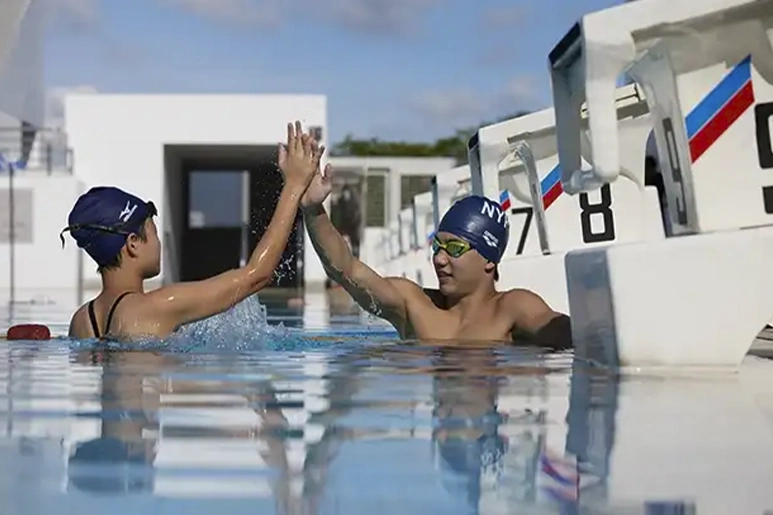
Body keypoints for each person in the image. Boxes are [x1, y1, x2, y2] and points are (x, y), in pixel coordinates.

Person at [62, 121, 323, 340]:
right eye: (152, 232)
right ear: (132, 243)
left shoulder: (81, 322)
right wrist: (293, 185)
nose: (158, 243)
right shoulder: (157, 306)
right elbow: (257, 275)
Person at [301, 157, 572, 349]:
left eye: (454, 249)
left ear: (489, 259)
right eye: (437, 247)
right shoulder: (414, 304)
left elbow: (570, 334)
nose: (439, 259)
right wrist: (313, 210)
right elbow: (346, 269)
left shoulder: (512, 309)